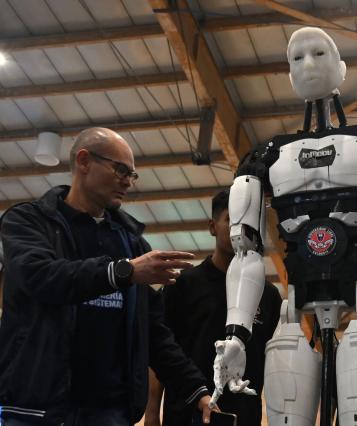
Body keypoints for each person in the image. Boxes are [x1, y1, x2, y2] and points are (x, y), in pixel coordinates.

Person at [211, 27, 357, 426]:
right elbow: (245, 251)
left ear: (341, 68)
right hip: (295, 306)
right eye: (296, 58)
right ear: (288, 75)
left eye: (319, 54)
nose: (308, 65)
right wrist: (236, 331)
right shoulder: (264, 158)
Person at [0, 127, 212, 426]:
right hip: (38, 411)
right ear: (84, 161)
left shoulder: (131, 242)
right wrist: (122, 272)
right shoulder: (29, 222)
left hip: (109, 413)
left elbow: (152, 331)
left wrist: (196, 389)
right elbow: (42, 277)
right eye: (121, 169)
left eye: (132, 174)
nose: (128, 181)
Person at [145, 190, 281, 426]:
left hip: (244, 417)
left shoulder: (268, 295)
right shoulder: (183, 285)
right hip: (186, 415)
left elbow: (274, 366)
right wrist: (151, 414)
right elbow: (158, 352)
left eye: (249, 221)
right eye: (231, 219)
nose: (242, 228)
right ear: (212, 226)